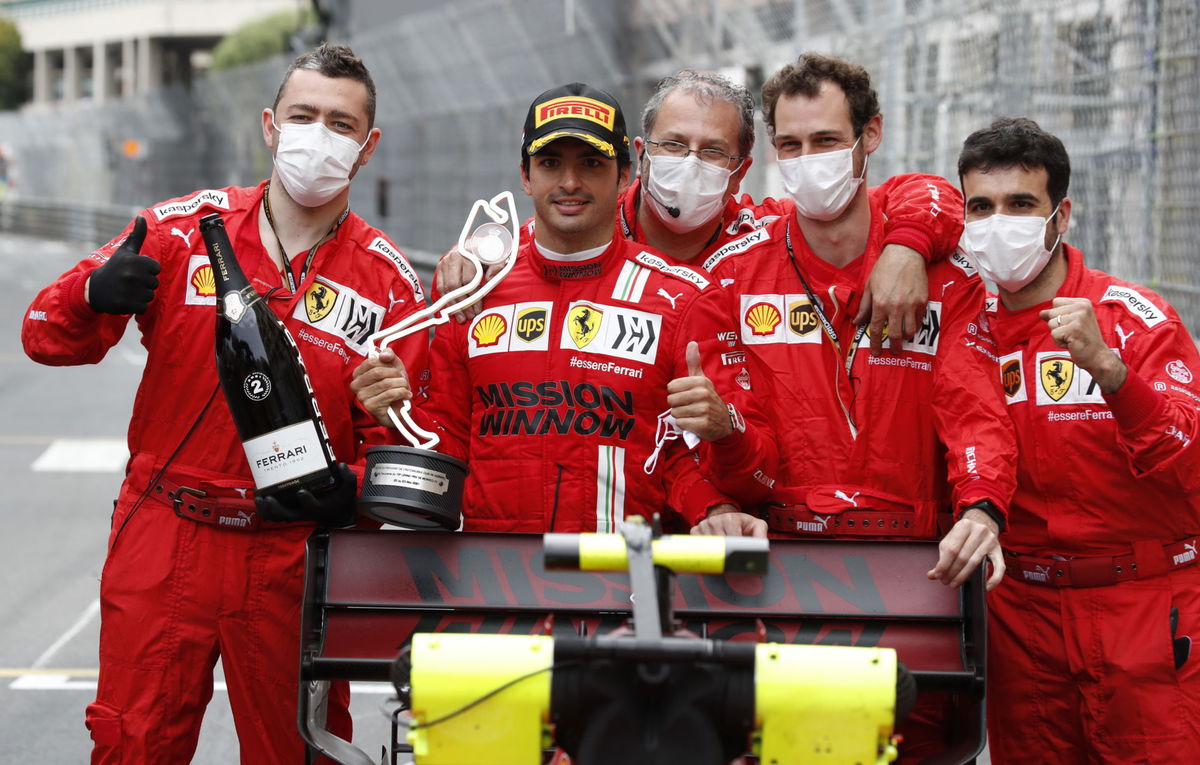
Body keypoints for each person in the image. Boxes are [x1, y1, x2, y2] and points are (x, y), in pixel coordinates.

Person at [22, 44, 429, 764]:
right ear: (270, 126)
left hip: (291, 554)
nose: (318, 136)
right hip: (164, 532)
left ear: (368, 149)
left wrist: (353, 490)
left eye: (341, 123)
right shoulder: (180, 231)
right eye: (304, 115)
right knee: (132, 743)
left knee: (298, 753)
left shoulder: (392, 286)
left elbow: (412, 447)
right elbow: (44, 337)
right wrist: (89, 295)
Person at [682, 53, 1017, 762]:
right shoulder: (732, 277)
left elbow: (974, 408)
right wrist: (725, 436)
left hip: (914, 582)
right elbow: (744, 460)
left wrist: (983, 503)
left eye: (828, 141)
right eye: (792, 145)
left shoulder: (947, 277)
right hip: (781, 585)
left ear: (872, 136)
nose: (809, 161)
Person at [352, 82, 772, 532]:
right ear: (526, 176)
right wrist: (399, 411)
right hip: (492, 582)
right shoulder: (476, 288)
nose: (570, 183)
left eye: (591, 164)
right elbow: (449, 442)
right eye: (551, 163)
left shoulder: (684, 298)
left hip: (619, 585)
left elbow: (708, 462)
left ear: (626, 174)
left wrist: (715, 499)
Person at [957, 117, 1200, 763]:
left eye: (1020, 204)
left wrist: (1111, 369)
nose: (997, 222)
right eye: (980, 206)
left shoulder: (1135, 317)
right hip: (1023, 618)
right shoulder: (963, 332)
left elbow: (1190, 465)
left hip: (1142, 612)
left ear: (1061, 215)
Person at [438, 69, 964, 355]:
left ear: (740, 171)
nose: (690, 164)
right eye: (672, 145)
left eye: (712, 151)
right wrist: (470, 257)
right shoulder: (578, 229)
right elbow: (521, 253)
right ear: (638, 156)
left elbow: (921, 191)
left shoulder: (760, 232)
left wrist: (907, 245)